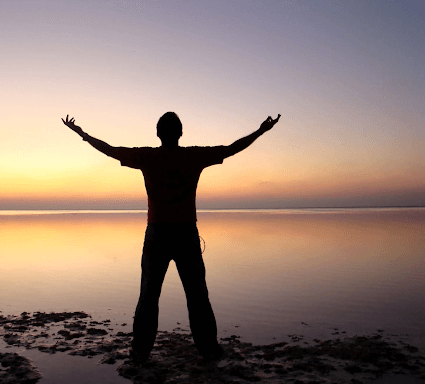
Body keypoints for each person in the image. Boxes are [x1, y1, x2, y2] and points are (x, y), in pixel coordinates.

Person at [61, 111, 280, 361]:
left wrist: (82, 134)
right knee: (197, 296)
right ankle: (208, 349)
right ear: (181, 133)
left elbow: (110, 150)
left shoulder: (148, 156)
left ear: (158, 134)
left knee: (149, 295)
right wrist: (261, 131)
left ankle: (140, 351)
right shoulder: (192, 156)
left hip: (157, 234)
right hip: (185, 233)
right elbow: (231, 149)